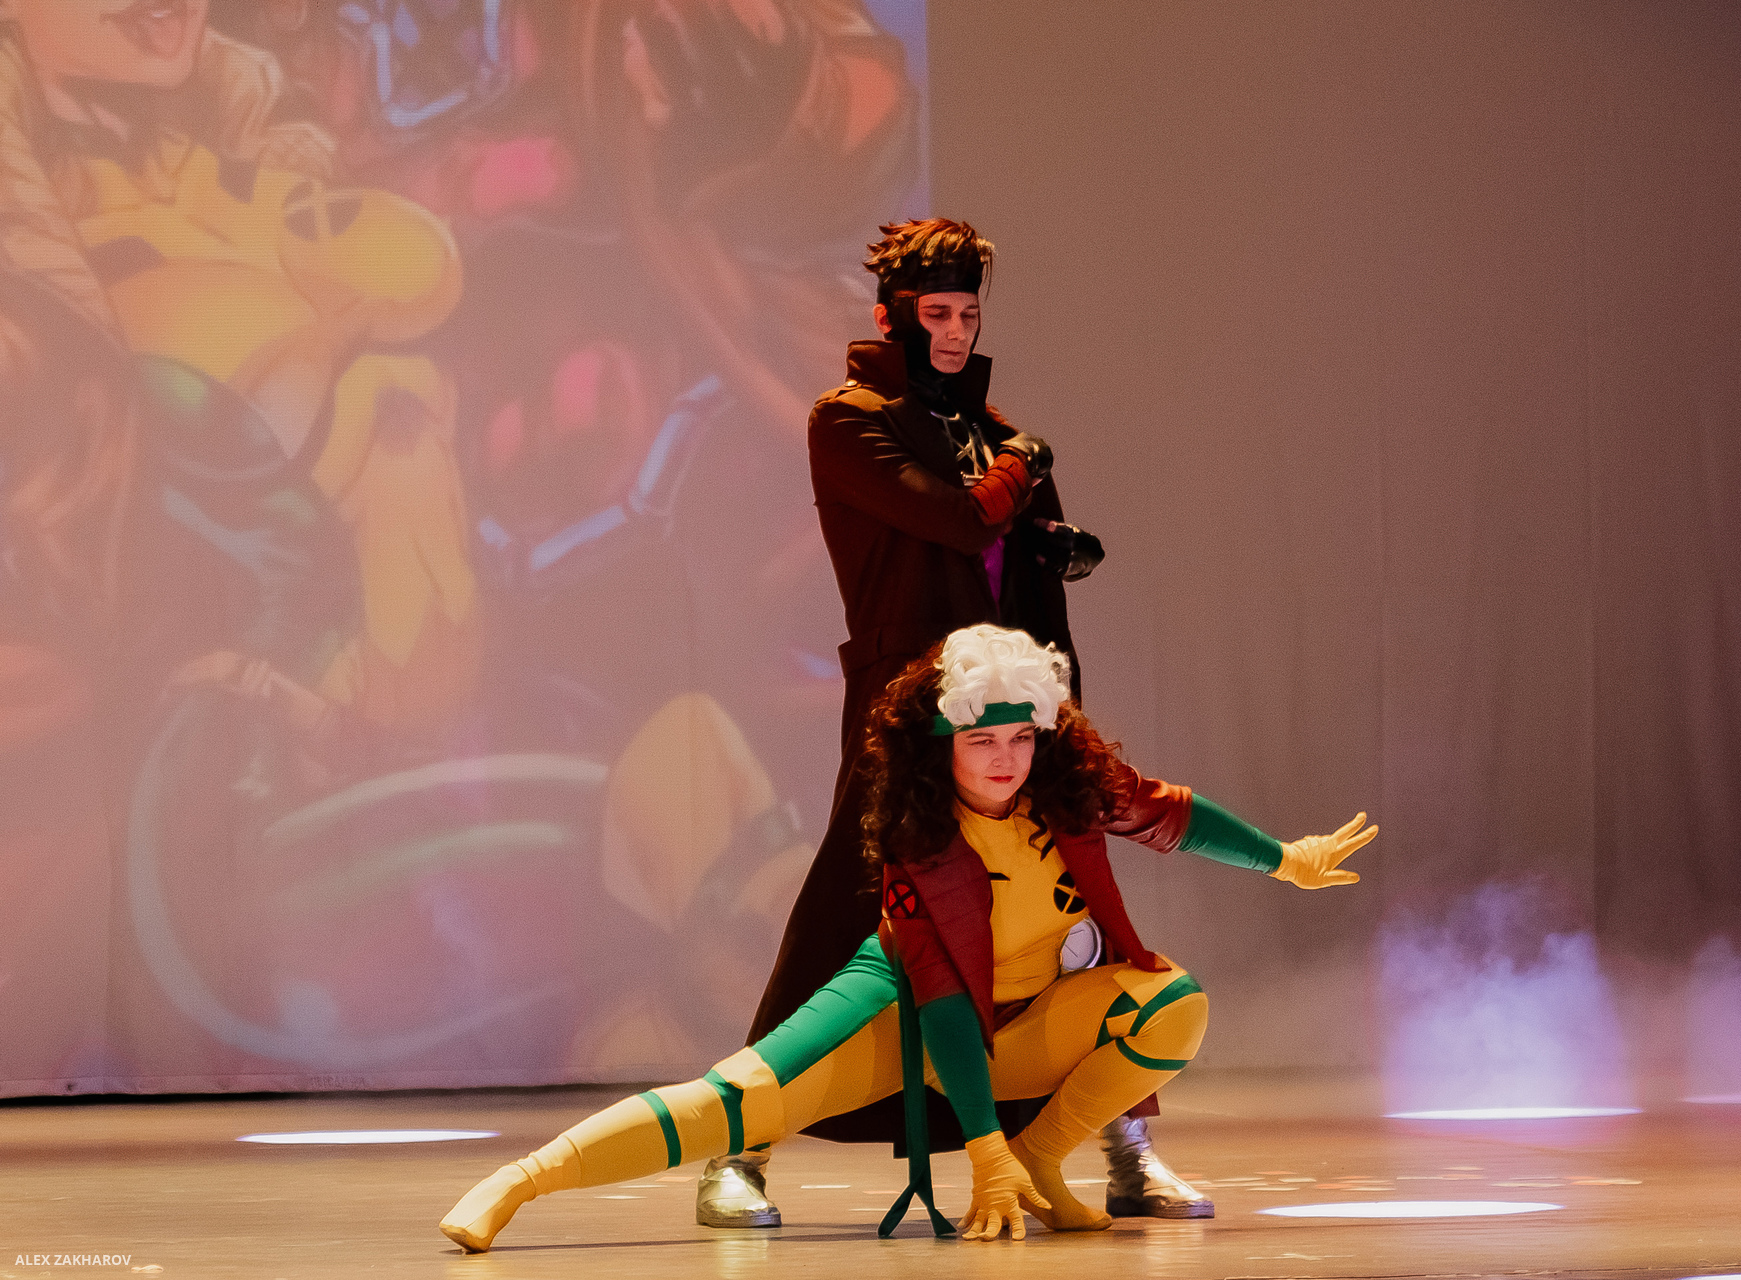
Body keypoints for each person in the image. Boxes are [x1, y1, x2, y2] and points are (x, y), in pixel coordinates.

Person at [439, 623, 1377, 1250]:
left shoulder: (1066, 786)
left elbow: (1169, 812)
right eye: (982, 742)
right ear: (942, 746)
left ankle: (1047, 1154)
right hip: (906, 1016)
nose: (1006, 760)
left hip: (1025, 1021)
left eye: (1021, 738)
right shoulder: (923, 843)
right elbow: (943, 1000)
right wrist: (982, 1147)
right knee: (736, 1098)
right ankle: (522, 1182)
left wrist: (1284, 859)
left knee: (1171, 1002)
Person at [695, 216, 1178, 1228]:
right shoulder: (848, 419)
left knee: (1080, 911)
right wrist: (1022, 467)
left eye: (968, 313)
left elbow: (1002, 541)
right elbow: (956, 520)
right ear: (894, 317)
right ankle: (737, 1151)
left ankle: (1128, 1146)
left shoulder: (992, 430)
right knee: (843, 919)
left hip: (1018, 707)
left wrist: (1050, 546)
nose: (956, 332)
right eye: (938, 314)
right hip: (912, 711)